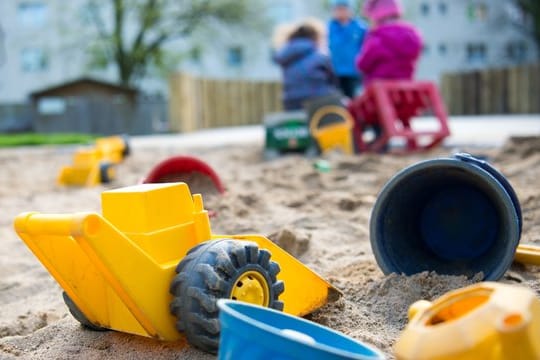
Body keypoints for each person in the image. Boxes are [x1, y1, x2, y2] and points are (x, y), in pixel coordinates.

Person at [273, 21, 338, 111]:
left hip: (291, 99)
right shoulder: (320, 56)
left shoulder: (286, 55)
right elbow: (332, 80)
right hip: (319, 98)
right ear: (316, 37)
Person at [356, 0, 423, 86]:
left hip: (378, 89)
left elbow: (363, 64)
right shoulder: (412, 36)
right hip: (402, 87)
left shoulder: (377, 37)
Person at [328, 0, 367, 98]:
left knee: (355, 99)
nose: (340, 11)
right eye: (337, 9)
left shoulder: (360, 28)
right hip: (334, 73)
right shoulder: (328, 28)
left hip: (354, 73)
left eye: (343, 8)